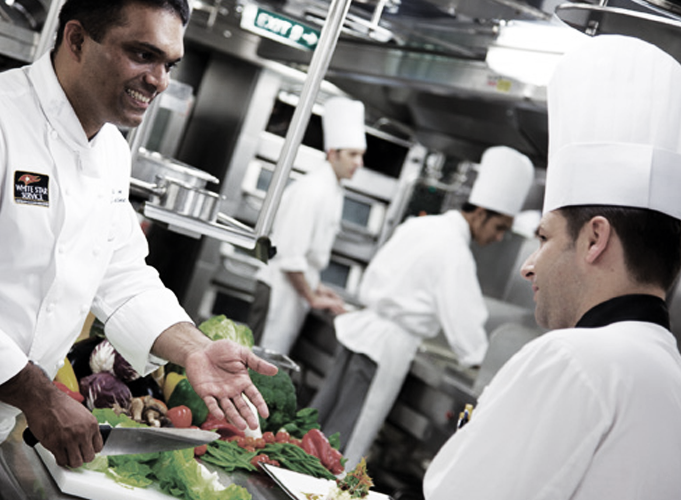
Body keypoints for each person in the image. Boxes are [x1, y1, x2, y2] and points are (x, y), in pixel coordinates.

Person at [0, 0, 277, 498]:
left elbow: (121, 272)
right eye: (142, 55)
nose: (160, 80)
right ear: (75, 39)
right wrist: (40, 398)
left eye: (168, 64)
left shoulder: (110, 150)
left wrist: (195, 350)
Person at [423, 35, 681, 499]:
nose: (528, 266)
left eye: (544, 238)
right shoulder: (668, 376)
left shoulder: (573, 358)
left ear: (595, 239)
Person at [310, 145, 534, 469]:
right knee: (341, 449)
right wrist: (483, 363)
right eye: (499, 227)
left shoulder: (419, 226)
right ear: (481, 212)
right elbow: (466, 325)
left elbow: (373, 276)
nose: (500, 238)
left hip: (360, 334)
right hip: (385, 348)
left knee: (319, 435)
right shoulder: (454, 251)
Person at [247, 96, 365, 355]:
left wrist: (319, 288)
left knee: (268, 366)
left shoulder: (332, 190)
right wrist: (312, 297)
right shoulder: (312, 191)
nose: (359, 163)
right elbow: (290, 256)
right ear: (333, 153)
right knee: (256, 364)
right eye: (353, 155)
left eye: (361, 156)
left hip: (292, 291)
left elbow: (307, 256)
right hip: (278, 291)